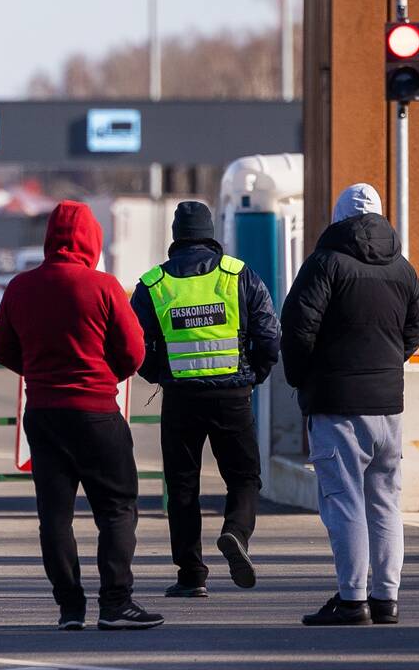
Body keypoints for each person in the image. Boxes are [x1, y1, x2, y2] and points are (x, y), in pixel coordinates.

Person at [0, 200, 162, 631]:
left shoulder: (19, 287)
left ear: (50, 237)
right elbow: (134, 352)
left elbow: (3, 351)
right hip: (96, 413)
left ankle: (70, 608)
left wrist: (41, 374)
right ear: (92, 239)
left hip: (44, 415)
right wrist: (106, 375)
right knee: (117, 509)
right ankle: (116, 603)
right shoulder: (104, 287)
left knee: (54, 516)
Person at [280, 183, 419, 627]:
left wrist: (301, 378)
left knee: (344, 503)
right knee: (385, 502)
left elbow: (297, 327)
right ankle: (386, 599)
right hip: (388, 407)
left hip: (337, 405)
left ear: (339, 217)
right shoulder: (403, 269)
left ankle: (352, 600)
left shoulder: (325, 264)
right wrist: (383, 368)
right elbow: (413, 333)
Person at [130, 201, 280, 598]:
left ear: (176, 236)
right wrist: (253, 376)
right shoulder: (238, 274)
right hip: (233, 396)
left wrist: (161, 375)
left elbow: (134, 347)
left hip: (180, 399)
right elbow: (269, 335)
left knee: (181, 488)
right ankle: (235, 533)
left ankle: (191, 575)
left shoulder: (153, 284)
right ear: (212, 233)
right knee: (244, 478)